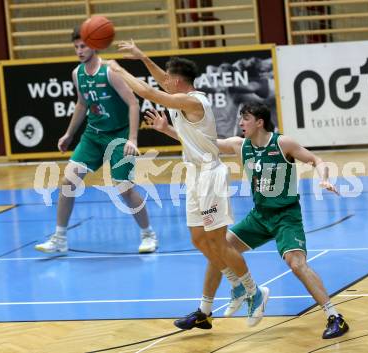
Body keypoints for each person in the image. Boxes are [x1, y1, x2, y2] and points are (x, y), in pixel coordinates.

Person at [146, 102, 349, 339]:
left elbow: (317, 160)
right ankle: (204, 312)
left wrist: (323, 179)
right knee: (220, 248)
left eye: (246, 118)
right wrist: (167, 129)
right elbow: (203, 144)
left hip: (286, 215)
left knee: (296, 264)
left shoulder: (282, 143)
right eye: (241, 118)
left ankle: (335, 316)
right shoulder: (239, 145)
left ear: (259, 122)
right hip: (259, 215)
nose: (241, 123)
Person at [109, 40, 269, 327]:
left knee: (218, 242)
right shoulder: (181, 94)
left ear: (178, 81)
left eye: (167, 78)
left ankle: (254, 291)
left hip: (210, 175)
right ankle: (234, 284)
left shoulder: (193, 101)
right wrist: (141, 56)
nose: (163, 80)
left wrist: (119, 69)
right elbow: (158, 80)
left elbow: (147, 90)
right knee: (198, 239)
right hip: (194, 175)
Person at [35, 28, 157, 254]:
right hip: (93, 135)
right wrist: (69, 134)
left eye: (83, 46)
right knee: (67, 183)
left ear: (95, 45)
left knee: (124, 189)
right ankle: (60, 237)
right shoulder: (77, 73)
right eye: (76, 47)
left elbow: (133, 103)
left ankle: (148, 234)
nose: (80, 51)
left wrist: (132, 139)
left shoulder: (110, 71)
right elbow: (82, 104)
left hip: (119, 135)